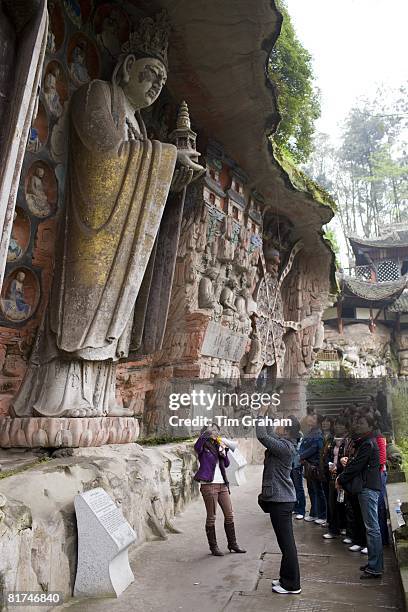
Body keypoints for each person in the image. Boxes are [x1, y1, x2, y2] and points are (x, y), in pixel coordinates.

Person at [256, 406, 301, 595]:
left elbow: (263, 437)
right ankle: (285, 579)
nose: (278, 425)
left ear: (288, 430)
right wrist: (269, 415)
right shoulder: (283, 442)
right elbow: (268, 433)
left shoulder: (285, 447)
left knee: (287, 543)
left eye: (282, 424)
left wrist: (260, 415)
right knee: (285, 543)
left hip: (281, 501)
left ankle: (292, 584)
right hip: (280, 500)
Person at [336, 414, 383, 579]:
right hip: (366, 488)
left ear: (370, 427)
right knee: (370, 527)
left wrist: (340, 479)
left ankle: (375, 567)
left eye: (362, 423)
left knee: (372, 528)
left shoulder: (368, 444)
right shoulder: (363, 442)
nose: (358, 425)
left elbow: (357, 466)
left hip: (368, 488)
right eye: (357, 422)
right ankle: (373, 563)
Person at [194, 424, 246, 556]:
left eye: (217, 430)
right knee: (211, 517)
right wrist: (206, 435)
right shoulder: (202, 445)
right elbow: (197, 447)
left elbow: (227, 464)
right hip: (209, 485)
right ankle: (214, 547)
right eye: (213, 430)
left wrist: (224, 452)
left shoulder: (219, 445)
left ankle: (232, 544)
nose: (216, 432)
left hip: (222, 484)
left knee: (229, 514)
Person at [322, 416, 348, 539]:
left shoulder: (348, 441)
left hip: (344, 475)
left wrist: (338, 466)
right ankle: (333, 529)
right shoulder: (331, 440)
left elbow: (349, 457)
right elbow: (326, 454)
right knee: (332, 502)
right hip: (332, 475)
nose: (338, 427)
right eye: (337, 424)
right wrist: (329, 464)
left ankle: (344, 526)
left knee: (343, 502)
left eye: (341, 425)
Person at [300, 413, 326, 524]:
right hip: (308, 464)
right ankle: (314, 513)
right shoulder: (310, 432)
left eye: (314, 418)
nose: (310, 419)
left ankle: (322, 514)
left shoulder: (318, 434)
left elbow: (315, 449)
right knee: (311, 490)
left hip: (315, 465)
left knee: (318, 491)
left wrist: (301, 455)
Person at [289, 416, 306, 520]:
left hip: (296, 465)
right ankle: (295, 507)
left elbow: (299, 451)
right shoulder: (288, 436)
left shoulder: (300, 436)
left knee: (298, 487)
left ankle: (301, 510)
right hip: (289, 465)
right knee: (292, 487)